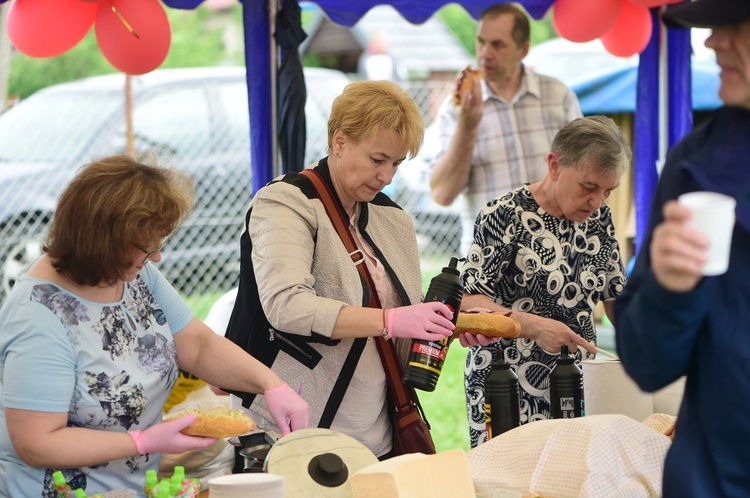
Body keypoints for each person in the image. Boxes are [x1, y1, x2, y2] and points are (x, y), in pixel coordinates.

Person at [0, 155, 309, 496]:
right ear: (102, 242)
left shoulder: (134, 273)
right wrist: (143, 440)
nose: (156, 257)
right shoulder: (39, 314)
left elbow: (197, 345)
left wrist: (269, 383)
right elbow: (37, 442)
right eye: (146, 248)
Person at [224, 80, 455, 459]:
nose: (387, 177)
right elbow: (287, 306)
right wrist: (391, 320)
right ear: (339, 141)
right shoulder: (285, 201)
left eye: (396, 164)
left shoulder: (393, 219)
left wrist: (447, 327)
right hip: (297, 429)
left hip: (378, 431)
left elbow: (403, 325)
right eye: (377, 160)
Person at [614, 1, 750, 495]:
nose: (712, 40)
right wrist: (668, 291)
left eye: (737, 22)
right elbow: (647, 361)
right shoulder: (697, 163)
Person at [458, 115, 631, 448]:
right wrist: (535, 327)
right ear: (554, 165)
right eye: (589, 187)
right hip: (505, 384)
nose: (597, 201)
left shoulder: (601, 219)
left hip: (576, 386)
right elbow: (468, 303)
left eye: (608, 191)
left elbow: (616, 297)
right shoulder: (504, 214)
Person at [429, 3, 582, 254]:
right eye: (481, 42)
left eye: (498, 45)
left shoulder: (558, 96)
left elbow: (583, 174)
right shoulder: (457, 106)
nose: (485, 53)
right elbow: (443, 194)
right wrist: (467, 127)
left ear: (523, 50)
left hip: (554, 254)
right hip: (489, 262)